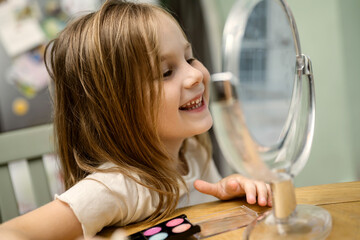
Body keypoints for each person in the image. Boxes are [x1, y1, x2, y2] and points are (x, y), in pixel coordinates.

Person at [0, 0, 272, 239]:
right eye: (166, 72)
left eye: (189, 58)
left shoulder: (193, 151)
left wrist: (223, 194)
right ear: (114, 106)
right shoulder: (118, 187)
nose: (195, 75)